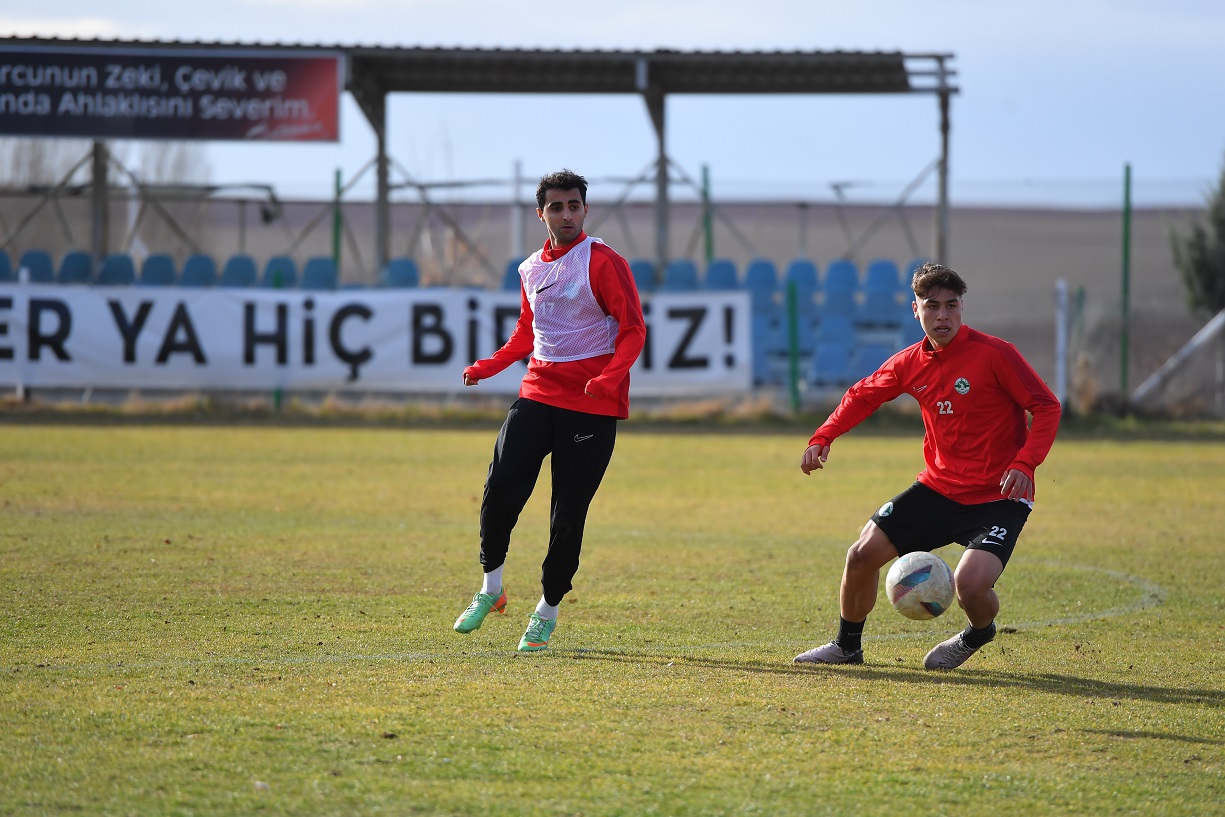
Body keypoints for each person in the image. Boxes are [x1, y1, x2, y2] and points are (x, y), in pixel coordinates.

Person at [794, 262, 1060, 670]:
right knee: (861, 555)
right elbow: (863, 395)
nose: (942, 316)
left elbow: (1045, 406)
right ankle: (847, 646)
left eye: (951, 306)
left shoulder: (995, 354)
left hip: (1000, 495)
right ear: (914, 310)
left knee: (970, 585)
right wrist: (823, 437)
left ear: (962, 308)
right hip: (938, 489)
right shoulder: (908, 363)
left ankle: (978, 632)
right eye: (931, 306)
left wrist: (1026, 463)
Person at [453, 169, 646, 652]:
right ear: (541, 213)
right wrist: (491, 366)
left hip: (591, 406)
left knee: (567, 510)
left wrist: (608, 378)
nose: (566, 214)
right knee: (499, 488)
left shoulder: (603, 261)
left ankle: (547, 609)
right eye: (556, 207)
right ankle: (490, 590)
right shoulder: (529, 268)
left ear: (585, 209)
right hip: (537, 392)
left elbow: (633, 329)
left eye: (573, 205)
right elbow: (527, 331)